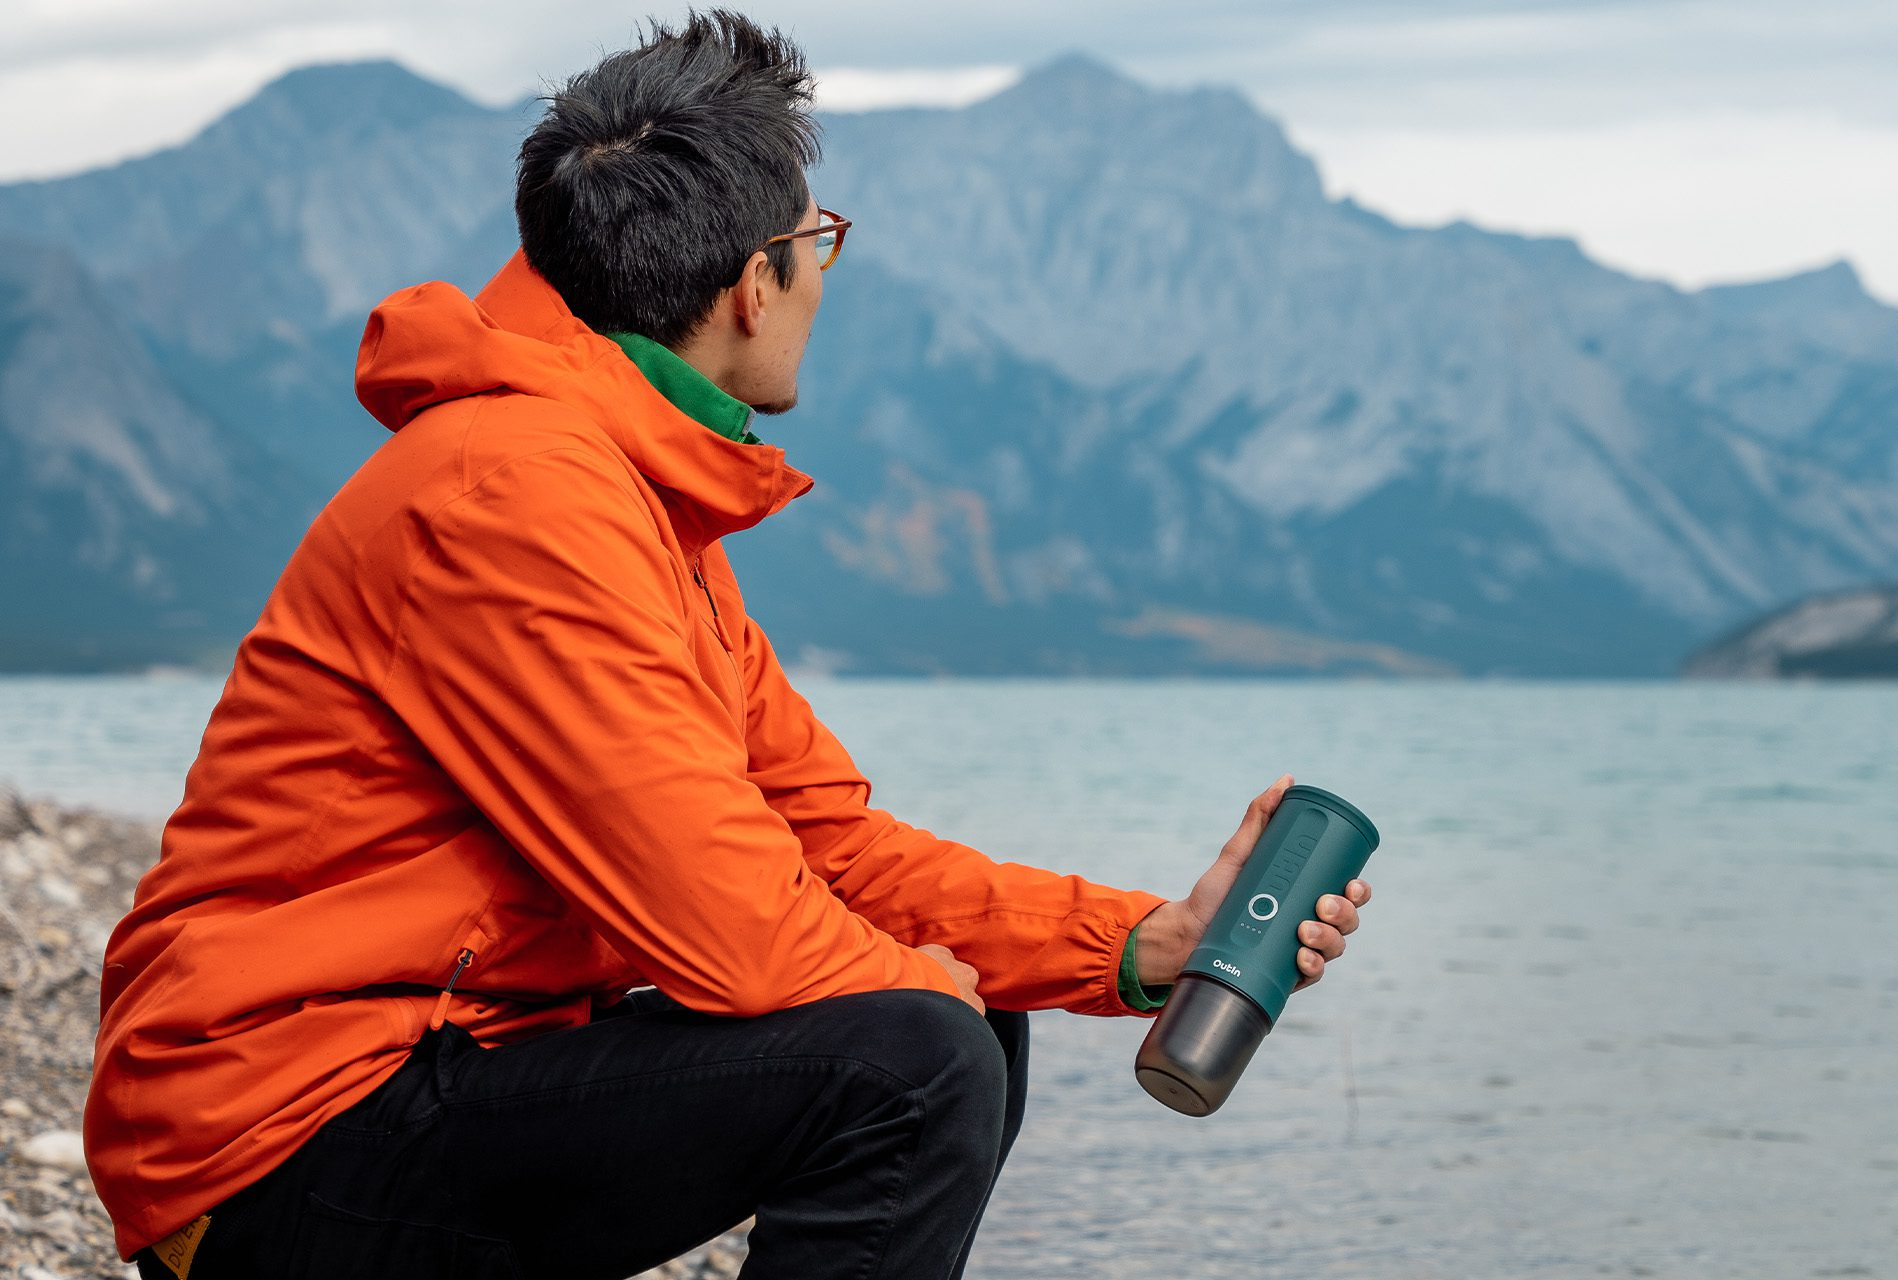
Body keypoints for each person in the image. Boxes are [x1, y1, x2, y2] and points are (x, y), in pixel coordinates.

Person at [84, 11, 1371, 1279]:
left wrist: (1143, 942)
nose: (824, 274)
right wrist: (940, 998)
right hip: (275, 1142)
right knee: (922, 1056)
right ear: (756, 283)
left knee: (957, 1016)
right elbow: (733, 927)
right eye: (820, 242)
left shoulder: (635, 504)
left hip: (426, 1062)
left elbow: (832, 845)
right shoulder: (514, 495)